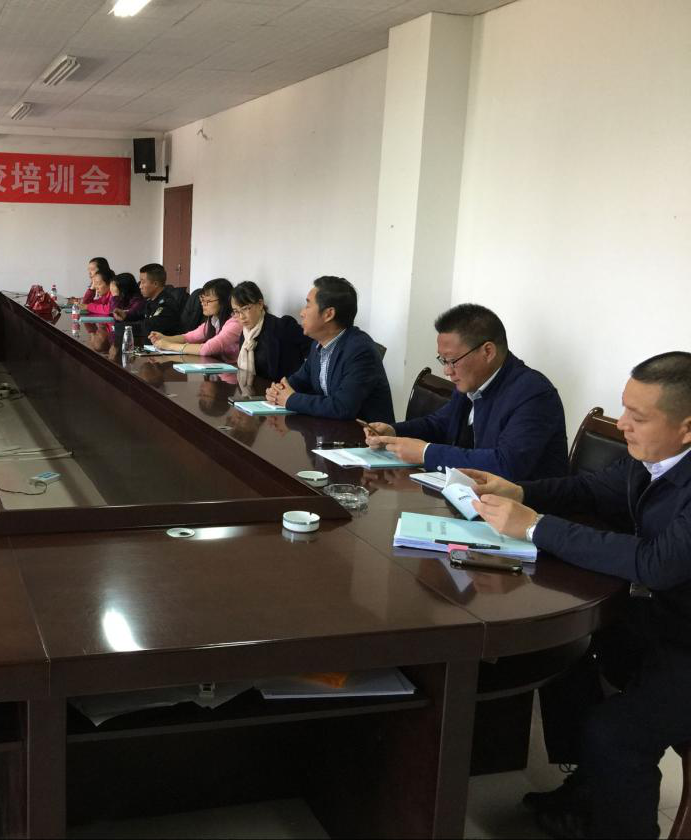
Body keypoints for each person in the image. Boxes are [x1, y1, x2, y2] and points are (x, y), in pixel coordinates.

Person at [466, 351, 691, 839]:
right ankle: (589, 790)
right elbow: (589, 490)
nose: (623, 424)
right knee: (564, 658)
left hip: (684, 642)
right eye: (624, 408)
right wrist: (521, 492)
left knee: (616, 734)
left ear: (687, 428)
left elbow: (658, 563)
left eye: (638, 417)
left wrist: (536, 527)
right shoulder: (650, 459)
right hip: (661, 618)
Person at [363, 303, 568, 480]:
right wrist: (394, 432)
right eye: (443, 360)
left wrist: (426, 453)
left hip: (523, 507)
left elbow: (506, 465)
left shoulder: (533, 394)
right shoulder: (472, 381)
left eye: (452, 360)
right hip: (472, 495)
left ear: (488, 351)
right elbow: (441, 423)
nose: (447, 370)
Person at [265, 276, 394, 422]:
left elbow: (342, 407)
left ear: (329, 314)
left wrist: (290, 399)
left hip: (364, 433)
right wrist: (278, 391)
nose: (302, 313)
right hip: (331, 428)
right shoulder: (318, 344)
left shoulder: (360, 351)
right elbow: (300, 381)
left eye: (308, 306)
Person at [231, 281, 309, 382]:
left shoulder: (283, 326)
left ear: (260, 304)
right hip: (255, 388)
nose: (241, 317)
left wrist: (296, 382)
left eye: (245, 309)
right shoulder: (246, 334)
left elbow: (314, 353)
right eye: (236, 311)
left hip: (284, 388)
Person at [149, 278, 242, 363]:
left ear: (224, 301)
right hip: (219, 366)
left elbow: (206, 349)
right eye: (202, 300)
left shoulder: (234, 323)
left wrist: (169, 346)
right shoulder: (214, 321)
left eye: (208, 301)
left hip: (235, 371)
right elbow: (189, 337)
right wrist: (164, 338)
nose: (203, 304)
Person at [113, 263, 182, 335]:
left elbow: (148, 327)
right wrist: (126, 316)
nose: (140, 286)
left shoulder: (167, 305)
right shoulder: (151, 301)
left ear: (155, 284)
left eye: (143, 282)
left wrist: (121, 327)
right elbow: (140, 316)